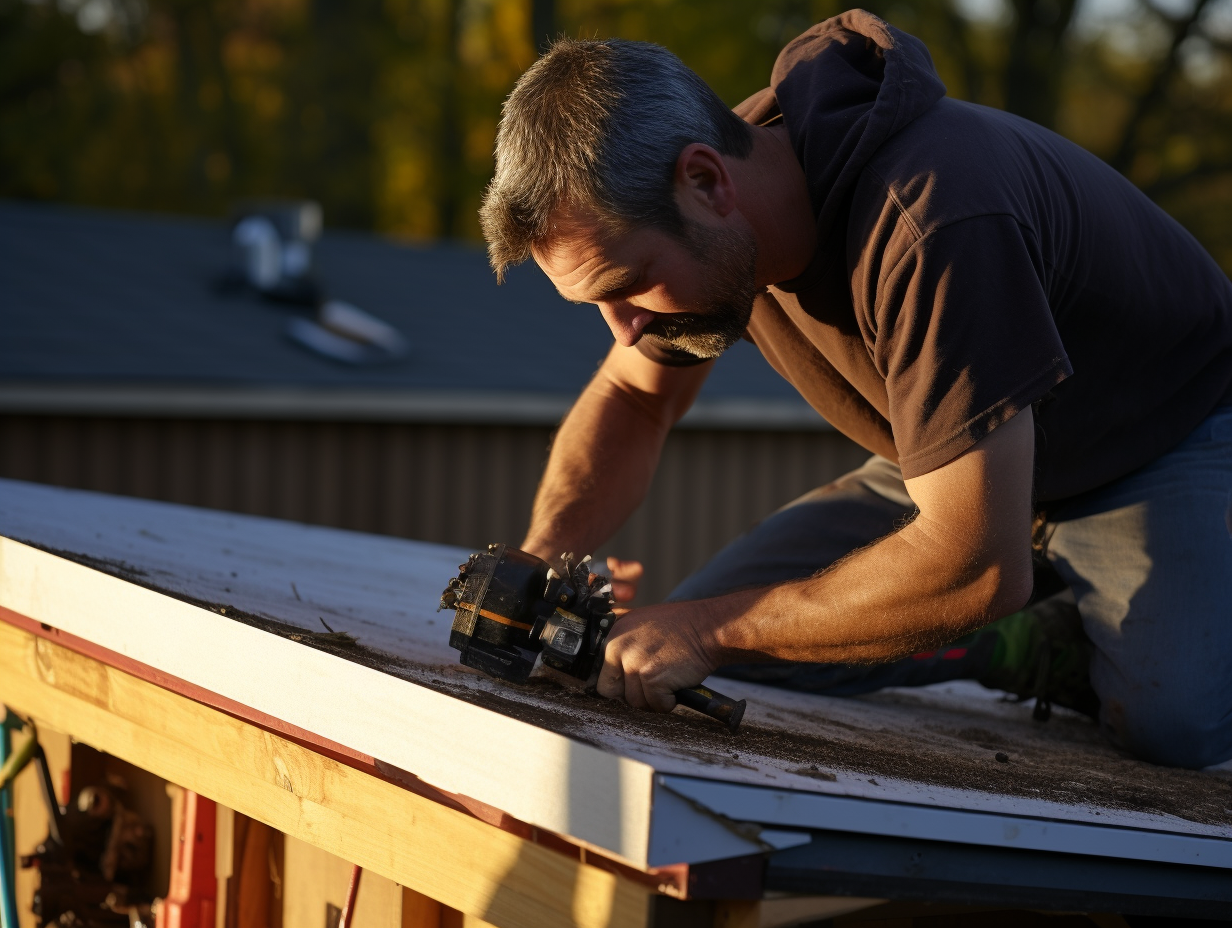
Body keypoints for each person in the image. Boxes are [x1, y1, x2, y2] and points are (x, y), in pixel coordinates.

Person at [477, 10, 1232, 768]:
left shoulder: (932, 218)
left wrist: (709, 630)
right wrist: (539, 562)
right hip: (961, 461)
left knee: (1173, 725)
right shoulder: (714, 199)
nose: (624, 330)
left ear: (706, 181)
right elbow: (635, 398)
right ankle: (1027, 645)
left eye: (630, 283)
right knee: (725, 646)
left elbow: (978, 561)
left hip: (1165, 437)